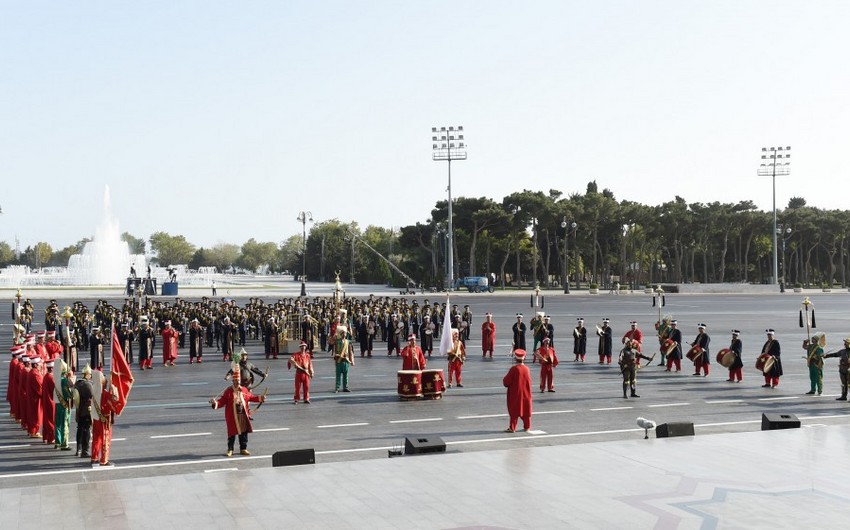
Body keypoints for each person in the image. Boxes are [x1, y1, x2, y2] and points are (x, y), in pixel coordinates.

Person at [210, 363, 265, 457]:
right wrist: (215, 403)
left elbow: (251, 397)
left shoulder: (244, 389)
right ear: (233, 381)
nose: (238, 383)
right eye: (236, 381)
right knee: (232, 433)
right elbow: (222, 402)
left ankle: (243, 448)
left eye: (239, 381)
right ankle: (230, 449)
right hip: (232, 415)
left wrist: (260, 398)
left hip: (242, 414)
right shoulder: (228, 391)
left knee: (243, 432)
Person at [503, 349, 533, 432]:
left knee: (514, 410)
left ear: (515, 358)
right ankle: (527, 426)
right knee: (525, 410)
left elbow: (506, 382)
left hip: (515, 393)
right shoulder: (527, 369)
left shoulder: (514, 369)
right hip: (526, 393)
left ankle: (512, 427)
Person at [74, 364, 94, 458]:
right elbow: (92, 396)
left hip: (79, 410)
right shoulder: (87, 385)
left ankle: (78, 449)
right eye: (89, 374)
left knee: (80, 430)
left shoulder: (77, 383)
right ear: (86, 375)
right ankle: (85, 451)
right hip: (86, 411)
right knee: (86, 431)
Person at [53, 360, 73, 450]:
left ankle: (57, 441)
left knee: (58, 424)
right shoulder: (64, 381)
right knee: (64, 423)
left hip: (57, 403)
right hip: (64, 404)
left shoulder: (56, 379)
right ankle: (64, 443)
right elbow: (67, 393)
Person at [823, 337, 850, 401]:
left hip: (849, 370)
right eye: (845, 343)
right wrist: (826, 356)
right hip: (842, 370)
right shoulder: (842, 351)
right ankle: (844, 396)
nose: (845, 344)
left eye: (846, 343)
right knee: (843, 384)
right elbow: (835, 354)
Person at [333, 326, 355, 392]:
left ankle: (345, 387)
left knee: (346, 375)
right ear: (341, 334)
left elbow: (350, 352)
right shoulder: (337, 341)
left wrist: (352, 360)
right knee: (338, 375)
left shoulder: (348, 342)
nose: (344, 335)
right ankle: (337, 388)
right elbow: (332, 345)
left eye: (345, 334)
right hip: (339, 359)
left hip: (346, 360)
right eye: (343, 333)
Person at [803, 332, 826, 396]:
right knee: (812, 377)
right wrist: (805, 342)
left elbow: (821, 357)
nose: (812, 340)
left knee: (818, 378)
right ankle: (813, 390)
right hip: (811, 364)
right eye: (812, 339)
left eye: (813, 339)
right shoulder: (810, 346)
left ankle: (820, 390)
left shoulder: (819, 348)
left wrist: (816, 358)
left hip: (817, 364)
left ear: (816, 340)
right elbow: (804, 347)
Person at [41, 359, 56, 446]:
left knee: (46, 419)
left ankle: (46, 437)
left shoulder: (46, 376)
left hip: (46, 400)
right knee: (51, 420)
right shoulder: (51, 378)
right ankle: (51, 437)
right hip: (51, 401)